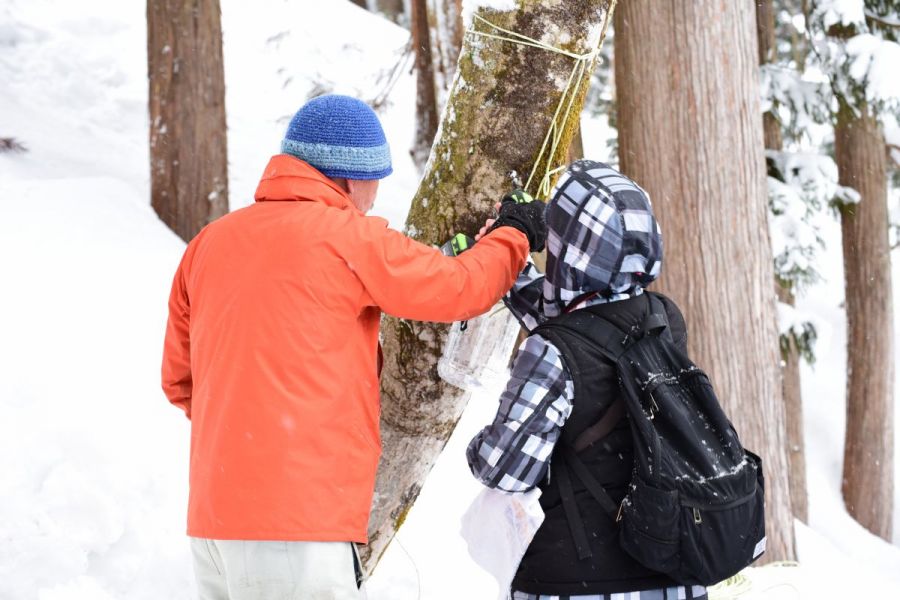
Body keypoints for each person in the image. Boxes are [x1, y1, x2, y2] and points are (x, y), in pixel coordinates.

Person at [161, 94, 546, 600]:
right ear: (348, 176)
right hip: (299, 528)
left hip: (214, 524)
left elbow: (180, 382)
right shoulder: (348, 238)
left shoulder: (209, 244)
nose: (375, 194)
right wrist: (513, 234)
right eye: (375, 179)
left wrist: (253, 424)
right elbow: (460, 288)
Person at [467, 159, 708, 600]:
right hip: (671, 572)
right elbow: (594, 330)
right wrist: (506, 271)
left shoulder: (552, 351)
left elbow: (504, 469)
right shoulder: (663, 319)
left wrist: (480, 442)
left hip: (579, 581)